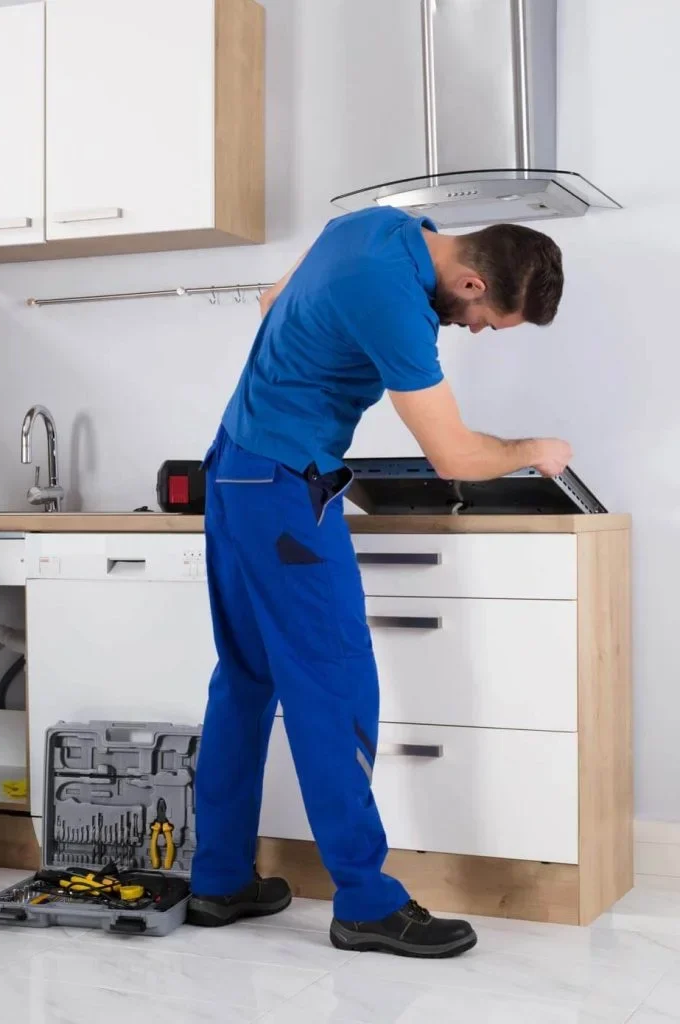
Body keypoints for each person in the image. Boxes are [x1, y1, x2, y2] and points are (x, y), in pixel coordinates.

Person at [185, 208, 572, 958]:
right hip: (284, 488)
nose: (478, 331)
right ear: (471, 281)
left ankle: (221, 878)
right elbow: (455, 457)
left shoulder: (374, 226)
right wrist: (534, 449)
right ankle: (366, 902)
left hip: (234, 467)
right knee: (335, 687)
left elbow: (271, 301)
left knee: (245, 680)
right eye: (489, 321)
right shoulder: (394, 299)